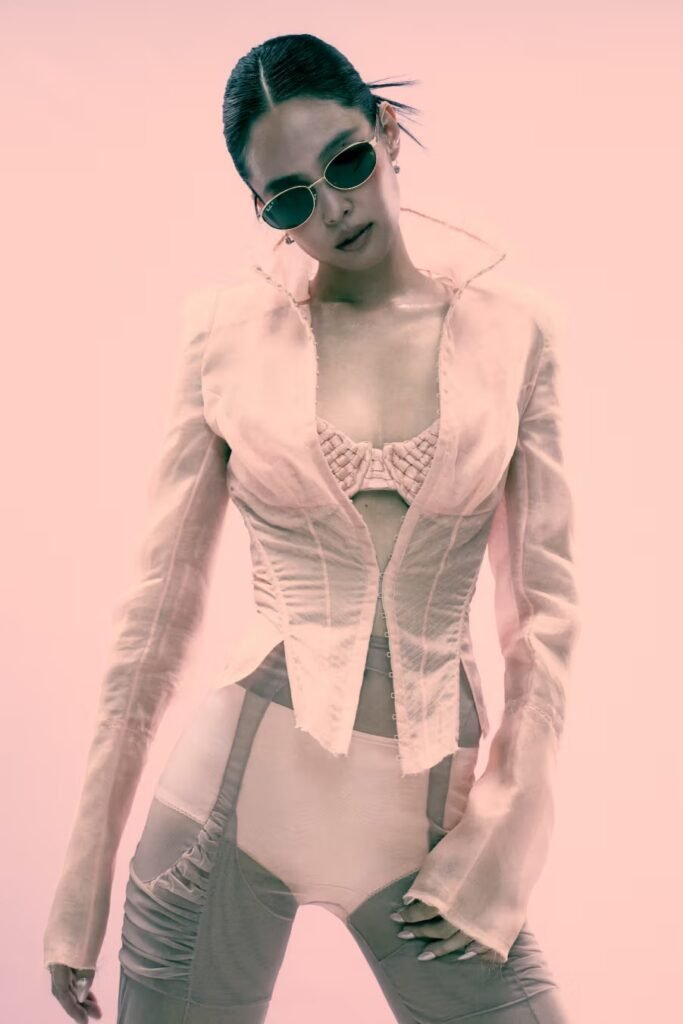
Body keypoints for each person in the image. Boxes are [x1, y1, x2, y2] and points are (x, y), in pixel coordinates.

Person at [44, 32, 581, 1024]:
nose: (332, 209)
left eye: (346, 162)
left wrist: (504, 845)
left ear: (385, 131)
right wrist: (81, 891)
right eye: (289, 198)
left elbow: (542, 620)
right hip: (229, 805)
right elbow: (154, 617)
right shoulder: (223, 333)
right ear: (261, 211)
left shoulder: (514, 330)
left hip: (429, 827)